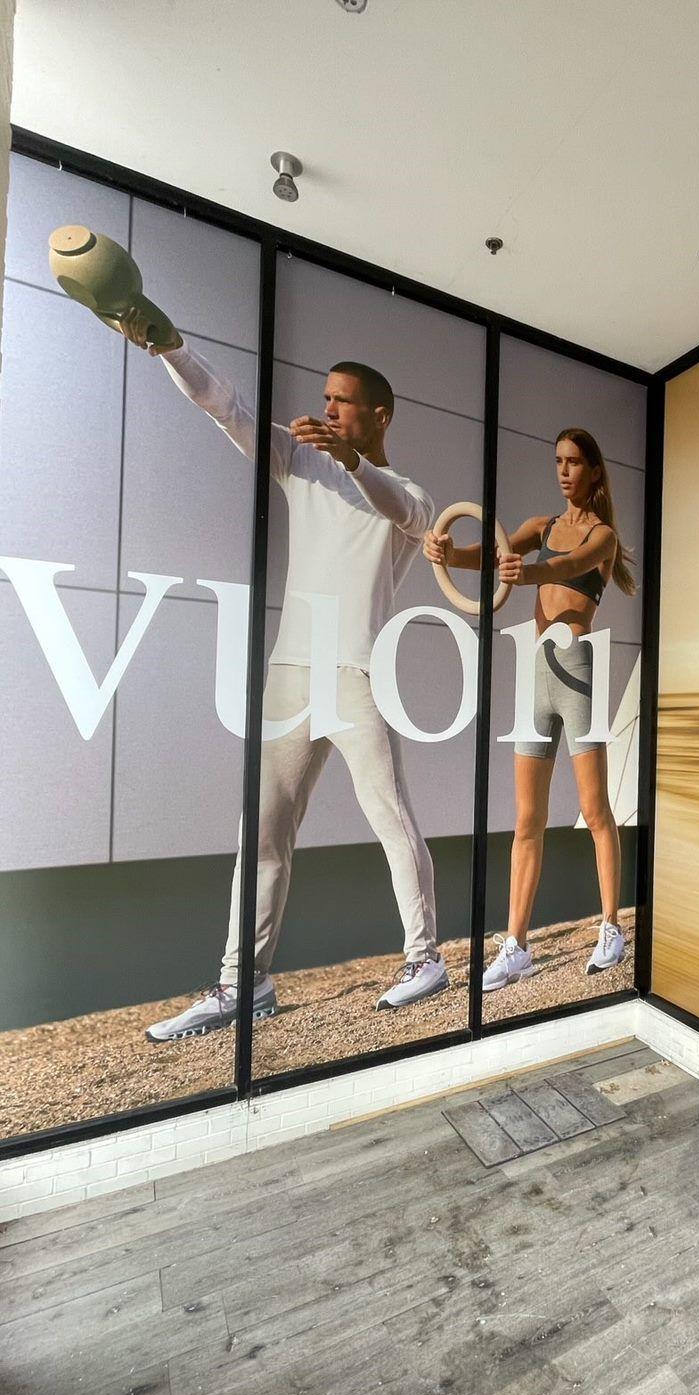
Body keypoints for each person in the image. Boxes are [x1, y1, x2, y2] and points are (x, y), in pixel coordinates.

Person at [115, 313, 447, 1040]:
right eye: (325, 398)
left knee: (391, 818)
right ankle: (244, 981)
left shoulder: (408, 494)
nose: (327, 409)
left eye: (342, 401)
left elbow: (398, 508)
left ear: (379, 416)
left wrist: (353, 461)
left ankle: (425, 959)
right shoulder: (298, 462)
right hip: (293, 673)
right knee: (261, 831)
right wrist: (170, 347)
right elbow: (225, 406)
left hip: (357, 673)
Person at [424, 428, 634, 991]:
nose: (564, 471)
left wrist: (529, 573)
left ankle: (611, 927)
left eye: (574, 462)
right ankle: (516, 944)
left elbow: (566, 568)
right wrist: (449, 554)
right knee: (526, 819)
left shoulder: (603, 536)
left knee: (595, 810)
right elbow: (492, 557)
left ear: (593, 470)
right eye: (558, 461)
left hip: (578, 671)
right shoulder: (541, 527)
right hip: (537, 674)